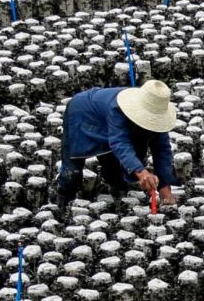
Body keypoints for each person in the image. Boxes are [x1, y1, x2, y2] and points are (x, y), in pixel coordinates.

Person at [56, 80, 180, 211]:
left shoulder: (158, 119)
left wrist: (165, 188)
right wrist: (141, 172)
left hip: (106, 121)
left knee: (116, 170)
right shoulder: (118, 108)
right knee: (72, 172)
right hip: (82, 114)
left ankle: (118, 199)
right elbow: (119, 142)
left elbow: (162, 150)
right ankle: (63, 205)